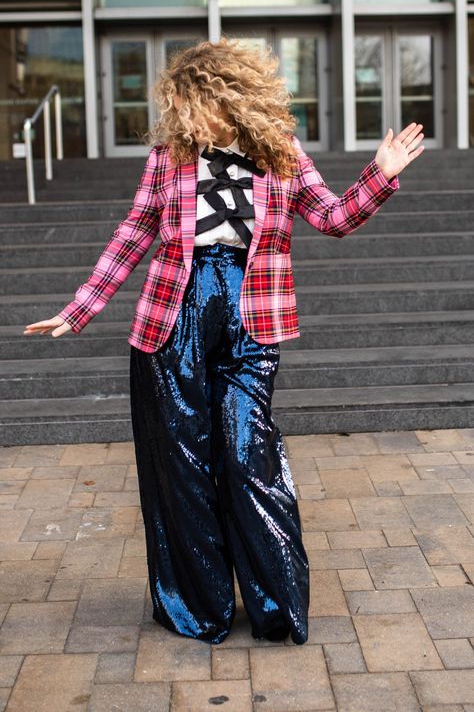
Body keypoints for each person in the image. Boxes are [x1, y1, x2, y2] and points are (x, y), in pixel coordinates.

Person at [24, 37, 424, 646]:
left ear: (227, 98)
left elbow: (334, 218)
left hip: (250, 316)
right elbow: (134, 233)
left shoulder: (282, 155)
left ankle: (274, 606)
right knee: (181, 463)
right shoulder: (168, 156)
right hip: (173, 317)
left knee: (247, 454)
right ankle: (199, 607)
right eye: (179, 107)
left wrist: (380, 176)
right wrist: (78, 310)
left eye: (193, 104)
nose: (184, 118)